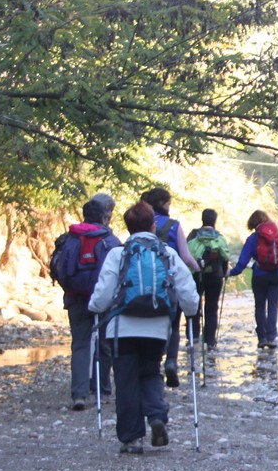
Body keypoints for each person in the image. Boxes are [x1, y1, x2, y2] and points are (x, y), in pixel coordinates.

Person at [87, 201, 200, 453]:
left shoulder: (118, 254)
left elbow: (103, 294)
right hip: (157, 327)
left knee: (126, 380)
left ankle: (131, 439)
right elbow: (188, 293)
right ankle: (157, 416)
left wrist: (94, 307)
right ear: (153, 226)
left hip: (122, 328)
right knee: (150, 372)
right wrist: (192, 312)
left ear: (127, 227)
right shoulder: (167, 253)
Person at [56, 192, 120, 410]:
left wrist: (69, 290)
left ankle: (79, 395)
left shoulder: (71, 238)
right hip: (104, 299)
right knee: (105, 344)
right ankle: (102, 389)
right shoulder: (110, 240)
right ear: (103, 216)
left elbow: (61, 269)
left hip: (76, 298)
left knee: (80, 345)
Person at [140, 188, 201, 388]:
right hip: (170, 282)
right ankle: (171, 361)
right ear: (163, 203)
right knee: (174, 324)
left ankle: (153, 363)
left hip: (145, 282)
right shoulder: (174, 225)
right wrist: (197, 268)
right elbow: (185, 256)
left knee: (152, 323)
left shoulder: (142, 222)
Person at [228, 210, 278, 349]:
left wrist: (230, 273)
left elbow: (242, 262)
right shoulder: (276, 236)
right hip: (277, 276)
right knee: (273, 305)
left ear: (252, 224)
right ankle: (271, 338)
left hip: (260, 276)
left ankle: (262, 338)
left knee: (260, 306)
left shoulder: (253, 239)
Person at [185, 209, 229, 351]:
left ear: (202, 219)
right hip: (215, 276)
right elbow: (225, 257)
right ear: (215, 220)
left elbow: (186, 255)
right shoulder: (219, 237)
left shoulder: (193, 235)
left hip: (196, 275)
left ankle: (193, 337)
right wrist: (224, 273)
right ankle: (210, 341)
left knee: (194, 305)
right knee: (212, 307)